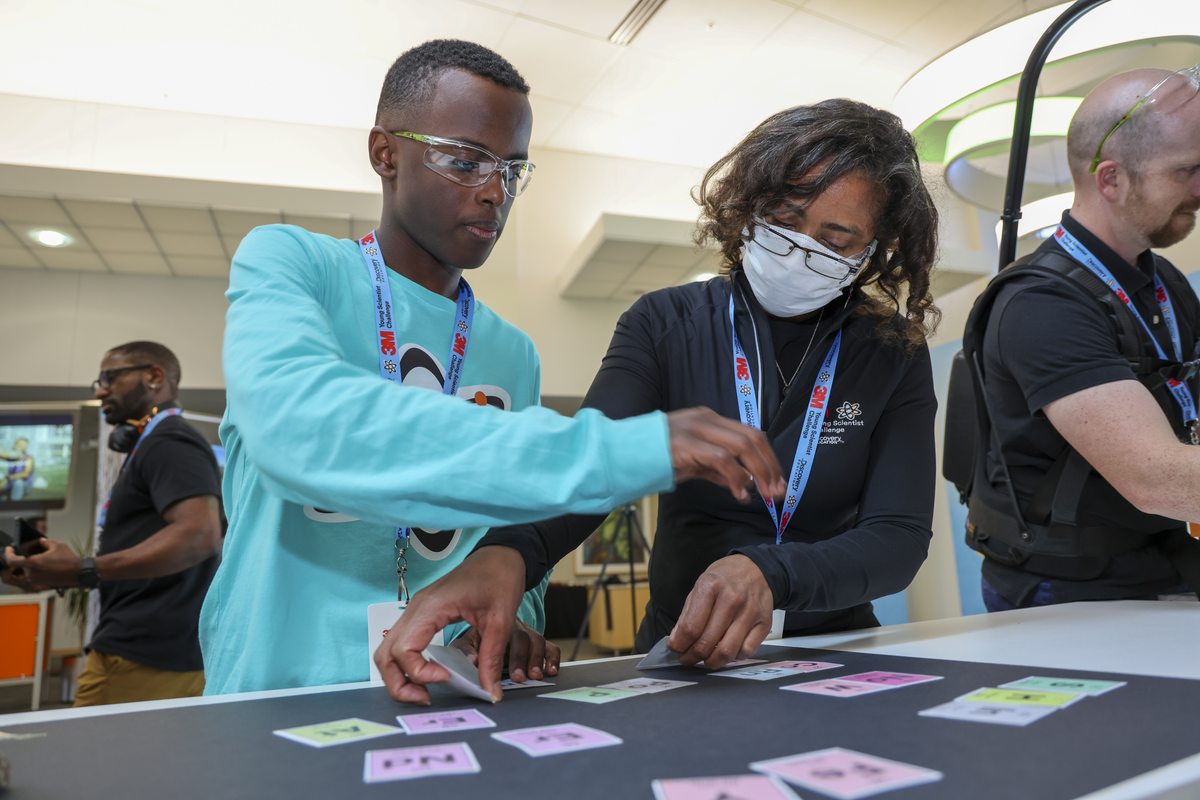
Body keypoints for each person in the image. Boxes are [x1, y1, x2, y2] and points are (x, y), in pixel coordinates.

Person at [199, 39, 784, 696]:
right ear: (385, 152)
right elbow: (300, 427)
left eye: (512, 170)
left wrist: (514, 615)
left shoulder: (512, 351)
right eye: (465, 161)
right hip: (276, 694)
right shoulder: (292, 264)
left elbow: (508, 522)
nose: (493, 192)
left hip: (443, 691)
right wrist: (630, 446)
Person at [376, 98, 942, 704]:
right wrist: (512, 552)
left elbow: (899, 537)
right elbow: (591, 467)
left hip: (835, 654)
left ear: (871, 253)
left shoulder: (892, 353)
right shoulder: (666, 323)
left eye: (836, 238)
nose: (800, 249)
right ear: (747, 206)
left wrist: (772, 574)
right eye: (785, 216)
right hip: (683, 656)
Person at [965, 66, 1200, 610]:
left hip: (1160, 559)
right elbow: (1153, 477)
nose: (1198, 189)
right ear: (1111, 179)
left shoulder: (1164, 285)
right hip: (1068, 590)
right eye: (1186, 170)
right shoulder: (1041, 304)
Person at [1, 341, 224, 705]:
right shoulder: (153, 445)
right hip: (140, 649)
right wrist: (56, 571)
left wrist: (83, 570)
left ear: (154, 377)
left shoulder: (170, 442)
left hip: (147, 655)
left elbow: (199, 535)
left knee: (88, 760)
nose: (101, 389)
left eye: (110, 378)